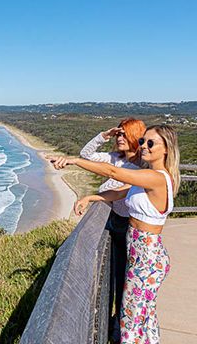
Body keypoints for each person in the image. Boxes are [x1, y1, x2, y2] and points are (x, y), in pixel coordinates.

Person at [47, 125, 180, 344]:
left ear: (166, 149)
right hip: (143, 254)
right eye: (142, 142)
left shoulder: (157, 177)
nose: (143, 147)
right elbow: (120, 191)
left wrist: (75, 161)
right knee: (143, 319)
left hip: (146, 257)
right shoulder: (146, 176)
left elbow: (113, 172)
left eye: (150, 143)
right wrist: (92, 198)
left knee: (130, 321)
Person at [79, 118, 146, 342]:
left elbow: (118, 191)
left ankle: (121, 329)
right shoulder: (115, 158)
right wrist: (104, 135)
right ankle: (118, 326)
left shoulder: (140, 167)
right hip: (115, 222)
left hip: (129, 226)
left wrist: (91, 196)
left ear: (135, 137)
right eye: (119, 134)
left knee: (127, 281)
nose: (120, 138)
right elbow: (85, 154)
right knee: (117, 275)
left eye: (124, 134)